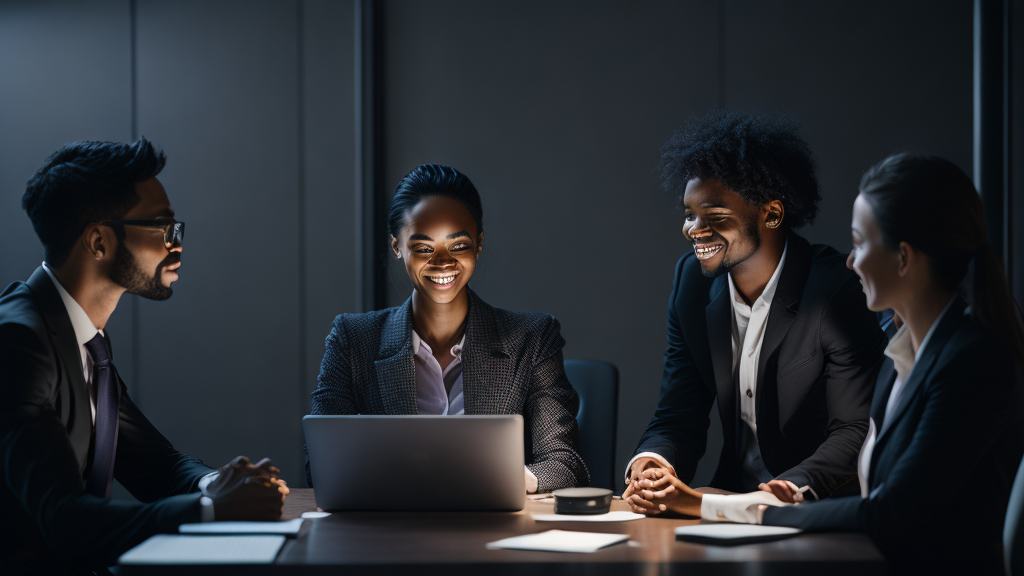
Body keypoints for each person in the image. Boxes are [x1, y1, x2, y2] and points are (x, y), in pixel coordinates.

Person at [628, 153, 1024, 573]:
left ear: (904, 258)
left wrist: (733, 508)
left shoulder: (971, 363)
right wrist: (660, 467)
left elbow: (889, 511)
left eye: (860, 242)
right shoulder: (901, 357)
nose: (851, 261)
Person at [0, 139, 289, 574]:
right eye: (163, 228)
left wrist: (218, 482)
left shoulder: (81, 339)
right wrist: (213, 510)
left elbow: (157, 465)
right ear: (98, 241)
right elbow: (64, 520)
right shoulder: (18, 343)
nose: (178, 245)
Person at [624, 113, 886, 505]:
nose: (693, 229)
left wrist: (788, 489)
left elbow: (853, 429)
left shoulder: (833, 289)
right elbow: (679, 410)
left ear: (772, 214)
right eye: (688, 214)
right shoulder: (692, 284)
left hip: (817, 510)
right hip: (723, 499)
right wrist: (654, 462)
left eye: (714, 216)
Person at [309, 163, 588, 493]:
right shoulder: (353, 339)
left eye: (458, 246)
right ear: (397, 246)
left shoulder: (531, 337)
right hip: (389, 527)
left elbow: (564, 462)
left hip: (494, 529)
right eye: (424, 248)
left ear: (479, 244)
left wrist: (505, 480)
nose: (443, 262)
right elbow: (319, 464)